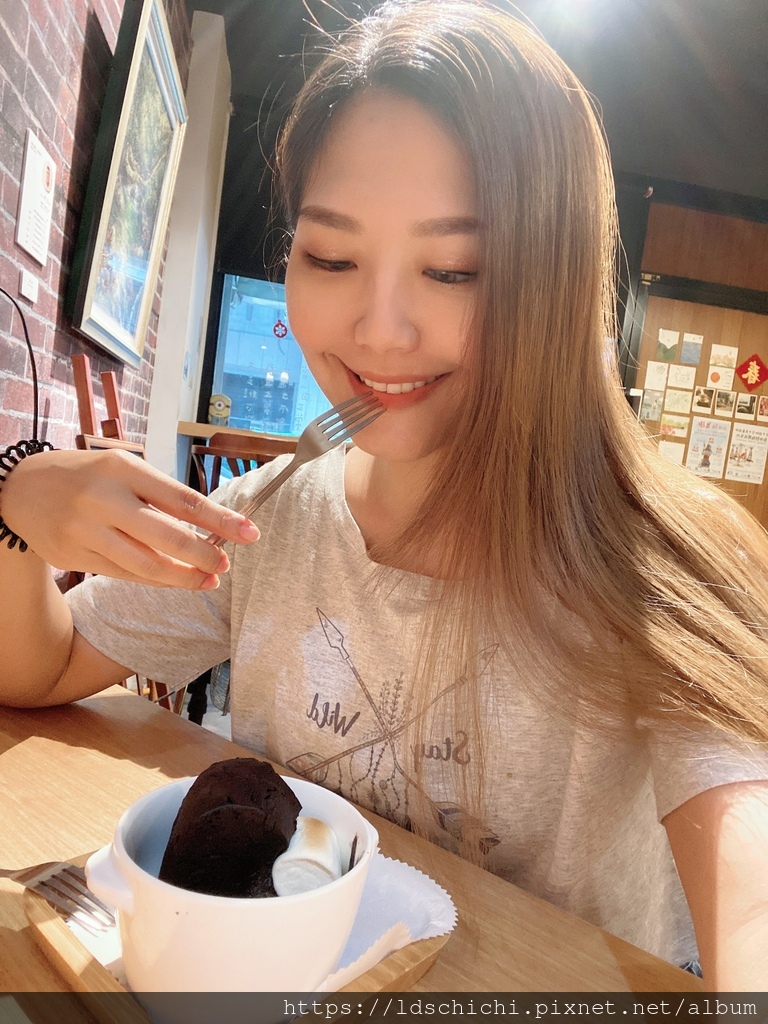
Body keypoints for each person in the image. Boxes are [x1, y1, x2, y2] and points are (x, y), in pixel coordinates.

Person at [1, 0, 768, 990]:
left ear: (558, 282)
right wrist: (16, 500)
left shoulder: (656, 557)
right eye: (331, 257)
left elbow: (748, 885)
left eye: (455, 269)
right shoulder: (273, 516)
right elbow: (43, 666)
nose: (380, 330)